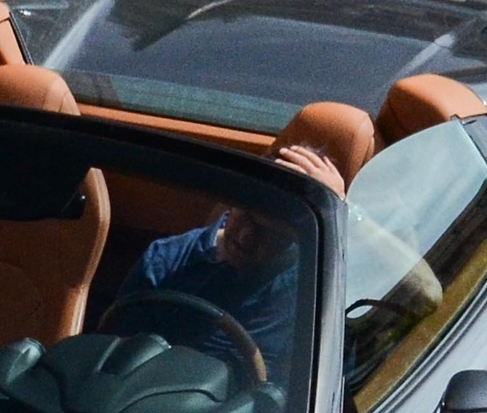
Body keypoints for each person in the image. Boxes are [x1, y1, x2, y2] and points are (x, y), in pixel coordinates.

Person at [118, 143, 345, 381]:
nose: (246, 236)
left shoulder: (317, 286)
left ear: (295, 237)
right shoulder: (165, 263)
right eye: (245, 214)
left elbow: (342, 374)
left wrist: (337, 216)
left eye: (268, 231)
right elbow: (116, 359)